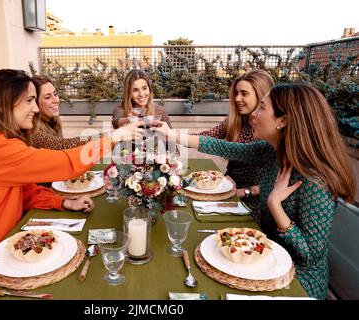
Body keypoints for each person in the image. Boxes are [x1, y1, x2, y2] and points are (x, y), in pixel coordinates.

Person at [0, 69, 143, 300]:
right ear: (2, 105)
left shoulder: (1, 142)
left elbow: (25, 191)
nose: (36, 108)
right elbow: (67, 163)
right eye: (30, 100)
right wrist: (114, 137)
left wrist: (63, 201)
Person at [151, 83, 356, 299]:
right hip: (264, 261)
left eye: (262, 108)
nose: (254, 115)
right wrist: (172, 135)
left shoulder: (314, 180)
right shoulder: (272, 151)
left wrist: (276, 206)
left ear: (283, 121)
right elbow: (224, 147)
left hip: (297, 283)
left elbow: (309, 256)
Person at [196, 70, 274, 220]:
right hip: (228, 191)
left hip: (255, 202)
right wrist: (172, 136)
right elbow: (208, 137)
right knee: (197, 210)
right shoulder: (235, 121)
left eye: (244, 93)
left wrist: (245, 192)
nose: (238, 98)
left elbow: (277, 182)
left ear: (262, 95)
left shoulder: (272, 131)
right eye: (236, 93)